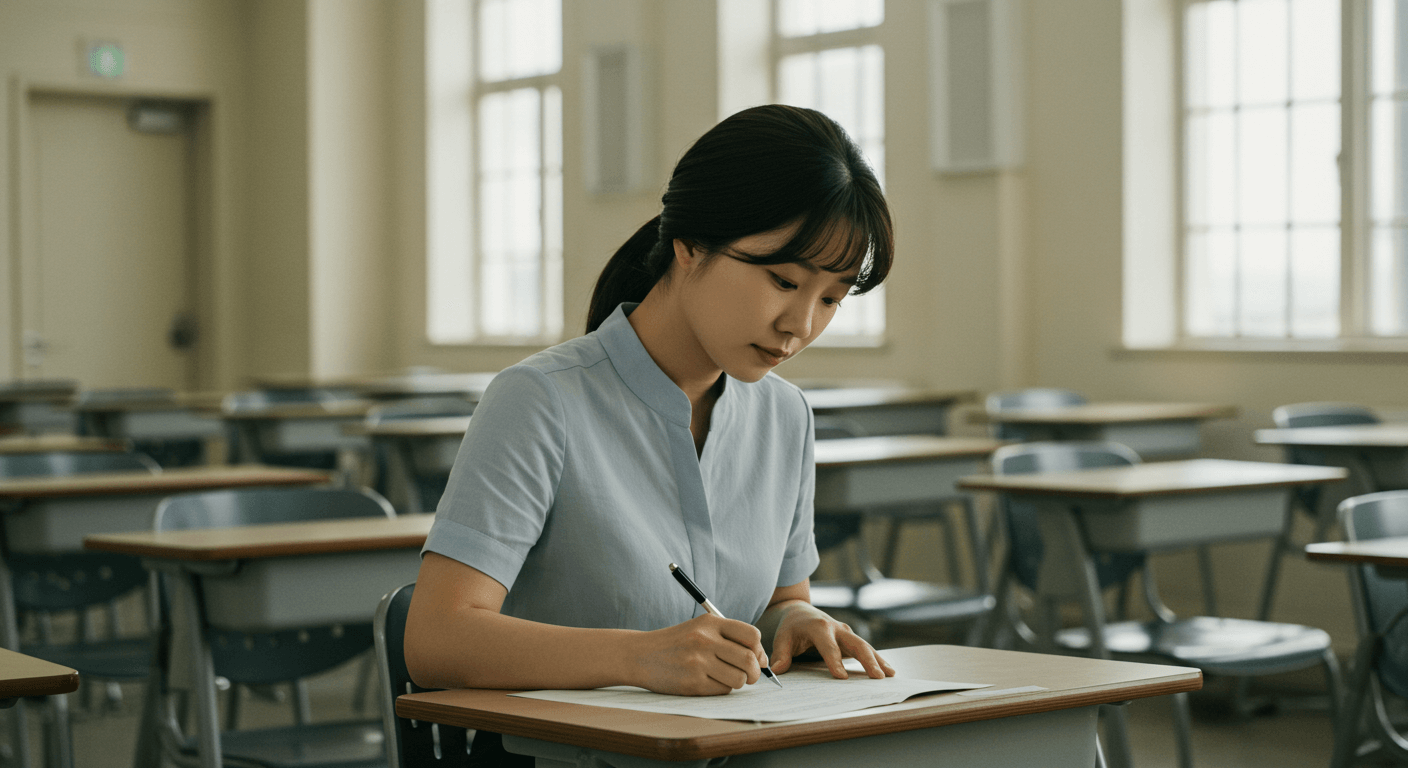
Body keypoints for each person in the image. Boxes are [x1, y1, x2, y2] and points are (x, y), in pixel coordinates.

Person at [405, 104, 896, 766]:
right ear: (690, 244)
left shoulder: (785, 415)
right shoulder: (541, 400)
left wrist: (798, 622)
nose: (800, 324)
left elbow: (778, 599)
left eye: (831, 298)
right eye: (783, 280)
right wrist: (639, 657)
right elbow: (435, 639)